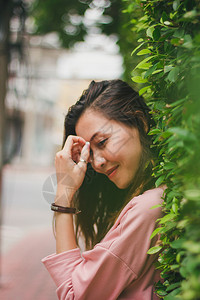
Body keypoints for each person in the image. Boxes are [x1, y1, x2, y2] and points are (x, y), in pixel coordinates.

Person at [42, 80, 165, 300]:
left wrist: (64, 194)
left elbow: (74, 296)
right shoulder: (152, 196)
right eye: (89, 153)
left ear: (141, 121)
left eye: (103, 141)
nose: (96, 163)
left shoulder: (147, 209)